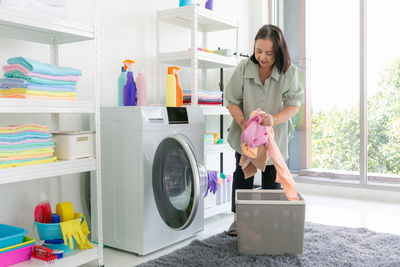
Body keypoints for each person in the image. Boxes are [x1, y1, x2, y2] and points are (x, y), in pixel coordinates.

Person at [224, 24, 304, 236]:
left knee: (271, 176)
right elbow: (231, 100)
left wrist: (274, 118)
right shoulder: (243, 68)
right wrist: (243, 123)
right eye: (258, 50)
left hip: (273, 138)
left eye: (268, 53)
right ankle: (238, 221)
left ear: (278, 51)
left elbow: (294, 105)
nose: (262, 56)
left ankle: (270, 221)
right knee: (242, 175)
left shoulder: (289, 72)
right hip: (245, 135)